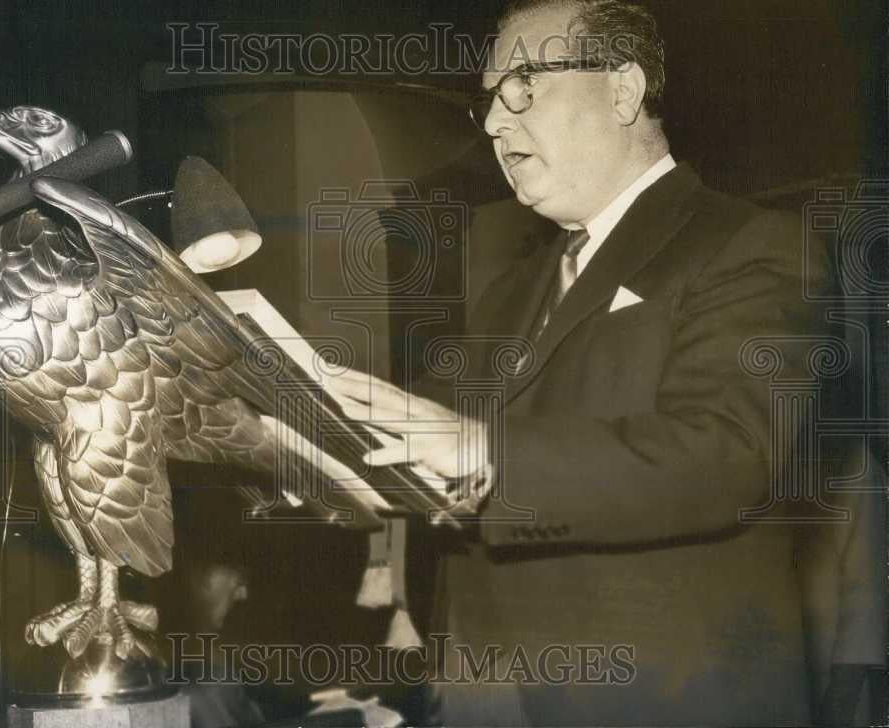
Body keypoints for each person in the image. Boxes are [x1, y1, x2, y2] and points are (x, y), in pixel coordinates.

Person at [325, 0, 835, 724]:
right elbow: (418, 431)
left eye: (524, 86)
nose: (497, 123)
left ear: (622, 90)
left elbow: (727, 453)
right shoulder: (514, 290)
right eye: (489, 103)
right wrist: (301, 435)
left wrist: (482, 449)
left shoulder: (750, 245)